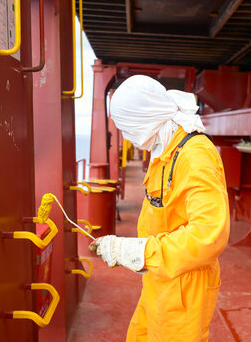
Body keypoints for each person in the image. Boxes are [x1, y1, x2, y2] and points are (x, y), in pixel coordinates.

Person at [92, 75, 230, 342]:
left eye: (128, 127)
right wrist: (137, 253)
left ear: (145, 119)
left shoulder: (194, 157)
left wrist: (135, 251)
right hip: (160, 276)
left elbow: (208, 236)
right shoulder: (165, 149)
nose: (126, 136)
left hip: (185, 288)